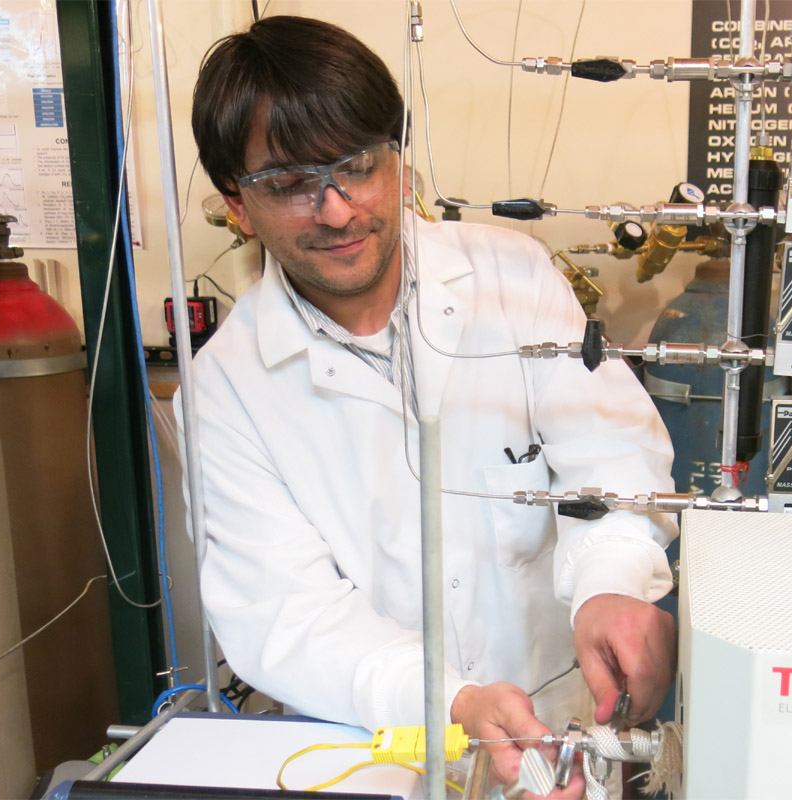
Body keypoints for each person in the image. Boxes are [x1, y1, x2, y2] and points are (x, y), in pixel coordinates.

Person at [180, 14, 678, 791]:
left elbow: (611, 458)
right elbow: (287, 613)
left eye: (357, 165)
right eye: (289, 185)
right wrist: (450, 700)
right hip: (382, 746)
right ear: (237, 206)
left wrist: (612, 582)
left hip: (564, 728)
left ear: (397, 161)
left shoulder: (513, 279)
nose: (339, 209)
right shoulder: (228, 386)